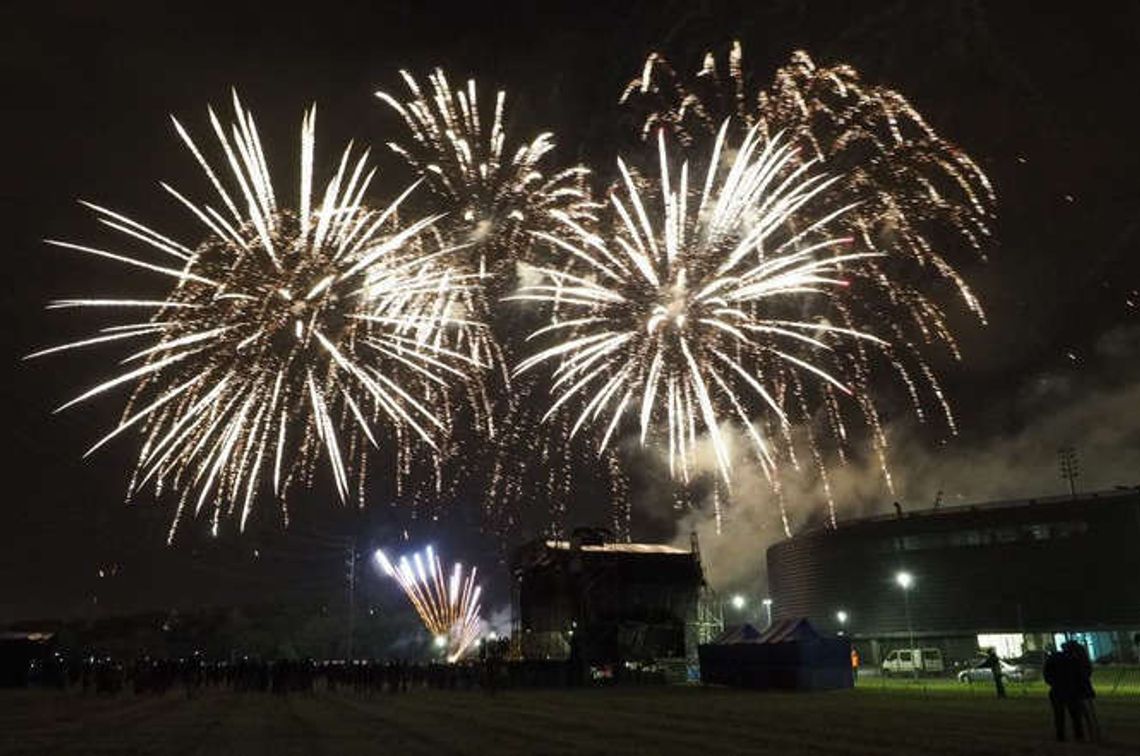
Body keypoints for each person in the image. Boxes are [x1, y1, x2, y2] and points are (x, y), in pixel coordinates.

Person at [1044, 645, 1084, 742]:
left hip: (1057, 690)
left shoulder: (1051, 659)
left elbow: (1047, 675)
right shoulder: (1072, 660)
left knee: (1059, 715)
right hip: (1071, 690)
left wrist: (1054, 683)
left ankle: (1061, 735)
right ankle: (1078, 735)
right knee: (1075, 715)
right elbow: (1080, 674)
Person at [1068, 641, 1100, 742]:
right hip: (1084, 689)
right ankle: (1093, 734)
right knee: (1089, 714)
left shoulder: (1073, 662)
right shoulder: (1083, 661)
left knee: (1081, 714)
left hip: (1078, 690)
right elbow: (1088, 672)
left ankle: (1087, 735)